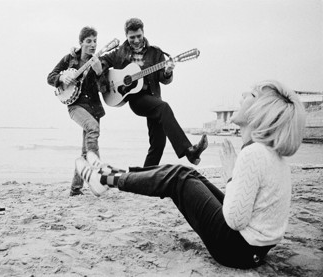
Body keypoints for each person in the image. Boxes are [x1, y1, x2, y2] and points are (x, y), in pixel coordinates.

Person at [75, 80, 306, 269]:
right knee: (187, 173)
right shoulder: (270, 155)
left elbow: (236, 219)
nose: (244, 93)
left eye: (252, 95)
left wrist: (230, 175)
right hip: (253, 250)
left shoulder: (254, 154)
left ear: (260, 112)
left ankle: (104, 179)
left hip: (236, 250)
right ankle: (113, 174)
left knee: (178, 178)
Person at [99, 18, 208, 166]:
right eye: (132, 37)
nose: (136, 40)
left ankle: (145, 179)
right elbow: (101, 62)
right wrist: (107, 82)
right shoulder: (119, 53)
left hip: (154, 98)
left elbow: (164, 79)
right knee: (164, 107)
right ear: (126, 36)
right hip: (137, 100)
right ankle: (189, 151)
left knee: (158, 144)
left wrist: (168, 71)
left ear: (143, 33)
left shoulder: (155, 53)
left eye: (139, 36)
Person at [47, 26, 105, 196]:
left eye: (95, 41)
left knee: (85, 150)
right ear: (81, 43)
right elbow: (50, 77)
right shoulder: (70, 59)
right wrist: (61, 78)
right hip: (75, 106)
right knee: (93, 128)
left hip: (93, 107)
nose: (93, 44)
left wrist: (99, 72)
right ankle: (96, 172)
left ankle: (75, 189)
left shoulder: (99, 60)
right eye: (89, 41)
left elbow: (104, 88)